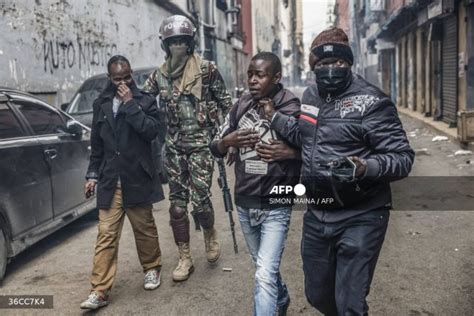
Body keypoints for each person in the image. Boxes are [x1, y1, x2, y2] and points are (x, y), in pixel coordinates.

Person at [260, 27, 415, 315]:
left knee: (350, 306)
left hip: (361, 215)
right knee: (317, 295)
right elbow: (306, 135)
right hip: (318, 215)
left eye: (338, 63)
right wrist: (276, 118)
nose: (331, 70)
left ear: (349, 64)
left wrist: (365, 167)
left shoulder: (372, 102)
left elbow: (402, 158)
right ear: (313, 68)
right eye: (322, 65)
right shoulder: (311, 96)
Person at [142, 15, 233, 282]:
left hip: (201, 147)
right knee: (177, 207)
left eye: (182, 42)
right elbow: (143, 104)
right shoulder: (159, 76)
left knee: (201, 202)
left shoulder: (206, 70)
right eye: (173, 43)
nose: (178, 48)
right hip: (173, 149)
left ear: (190, 43)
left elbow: (228, 105)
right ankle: (184, 257)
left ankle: (210, 234)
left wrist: (224, 139)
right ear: (165, 46)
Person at [210, 52, 301, 316]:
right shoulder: (241, 105)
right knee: (261, 265)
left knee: (263, 274)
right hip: (245, 200)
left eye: (259, 75)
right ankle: (280, 297)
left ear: (276, 77)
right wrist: (229, 141)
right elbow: (215, 145)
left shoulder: (290, 105)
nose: (252, 80)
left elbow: (309, 145)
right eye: (250, 74)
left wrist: (286, 142)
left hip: (275, 201)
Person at [80, 55, 164, 310]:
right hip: (110, 179)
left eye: (127, 76)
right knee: (106, 234)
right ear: (110, 78)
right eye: (118, 78)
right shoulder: (101, 104)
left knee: (144, 228)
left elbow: (152, 132)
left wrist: (130, 104)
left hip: (136, 176)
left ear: (131, 74)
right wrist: (92, 175)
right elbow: (97, 144)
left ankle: (152, 267)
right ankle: (100, 290)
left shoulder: (145, 101)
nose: (123, 82)